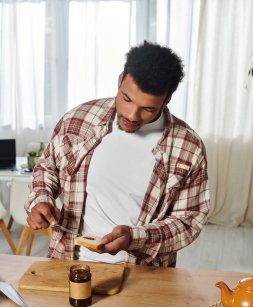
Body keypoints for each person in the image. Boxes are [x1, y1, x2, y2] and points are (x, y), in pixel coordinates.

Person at [25, 41, 210, 267]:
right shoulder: (78, 119)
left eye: (148, 108)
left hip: (143, 274)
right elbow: (47, 168)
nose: (132, 115)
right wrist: (41, 200)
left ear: (167, 99)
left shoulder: (188, 147)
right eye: (127, 99)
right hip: (68, 263)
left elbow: (188, 221)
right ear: (120, 80)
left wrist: (135, 238)